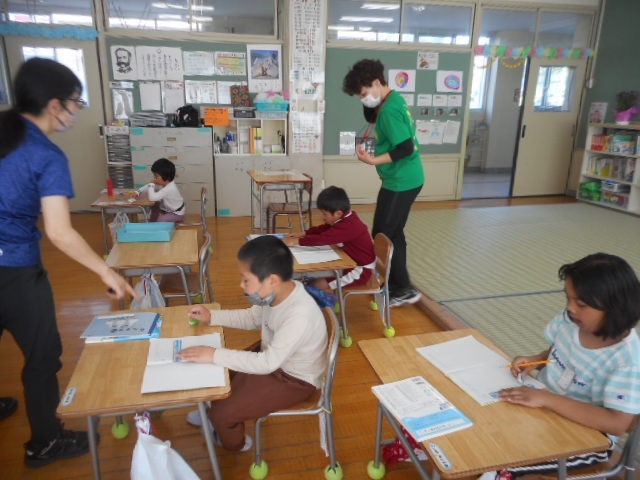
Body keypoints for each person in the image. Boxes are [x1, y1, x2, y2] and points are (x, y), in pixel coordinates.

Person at [0, 58, 136, 468]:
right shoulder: (45, 154)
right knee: (42, 357)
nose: (77, 111)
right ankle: (45, 442)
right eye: (77, 102)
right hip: (14, 271)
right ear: (55, 105)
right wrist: (107, 270)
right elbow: (60, 232)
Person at [479, 253, 640, 480]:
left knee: (500, 463)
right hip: (544, 410)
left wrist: (548, 399)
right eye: (568, 298)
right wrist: (536, 360)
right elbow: (561, 350)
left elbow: (616, 423)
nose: (570, 308)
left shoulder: (626, 361)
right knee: (483, 430)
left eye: (581, 304)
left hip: (587, 441)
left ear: (615, 308)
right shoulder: (571, 321)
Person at [177, 236, 328, 451]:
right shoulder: (276, 294)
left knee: (223, 413)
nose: (241, 285)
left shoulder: (299, 315)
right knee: (218, 377)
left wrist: (213, 354)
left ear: (272, 280)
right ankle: (212, 412)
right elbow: (251, 318)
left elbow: (267, 364)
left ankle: (236, 443)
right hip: (274, 358)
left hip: (294, 379)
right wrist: (212, 317)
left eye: (246, 280)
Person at [343, 58, 424, 307]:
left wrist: (374, 160)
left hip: (401, 180)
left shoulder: (388, 110)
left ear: (377, 82)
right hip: (404, 178)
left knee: (383, 233)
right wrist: (370, 104)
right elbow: (373, 118)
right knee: (393, 232)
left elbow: (406, 147)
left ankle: (402, 288)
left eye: (364, 93)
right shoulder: (392, 99)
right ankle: (402, 286)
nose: (363, 99)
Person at [283, 185, 375, 291]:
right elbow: (325, 228)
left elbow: (322, 239)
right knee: (312, 277)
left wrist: (296, 241)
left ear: (338, 213)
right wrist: (304, 233)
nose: (323, 217)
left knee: (315, 285)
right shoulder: (344, 218)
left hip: (360, 271)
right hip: (349, 260)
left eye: (324, 214)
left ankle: (322, 299)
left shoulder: (349, 225)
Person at [138, 157, 185, 222]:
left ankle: (157, 225)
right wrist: (138, 191)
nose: (154, 178)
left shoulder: (169, 188)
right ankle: (153, 222)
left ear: (166, 176)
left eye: (156, 176)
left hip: (176, 213)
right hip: (167, 209)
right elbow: (148, 186)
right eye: (154, 176)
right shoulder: (164, 182)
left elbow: (152, 198)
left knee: (161, 220)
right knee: (155, 206)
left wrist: (151, 184)